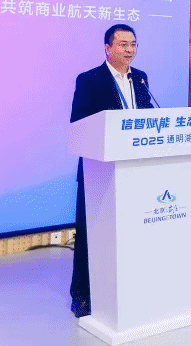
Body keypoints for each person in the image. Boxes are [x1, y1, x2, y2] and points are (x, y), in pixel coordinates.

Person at [68, 24, 153, 318]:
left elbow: (146, 118)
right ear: (107, 48)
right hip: (98, 170)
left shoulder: (139, 78)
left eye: (133, 44)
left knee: (131, 232)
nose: (129, 50)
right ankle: (82, 295)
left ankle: (128, 289)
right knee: (90, 234)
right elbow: (78, 124)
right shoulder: (90, 80)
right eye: (123, 44)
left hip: (133, 168)